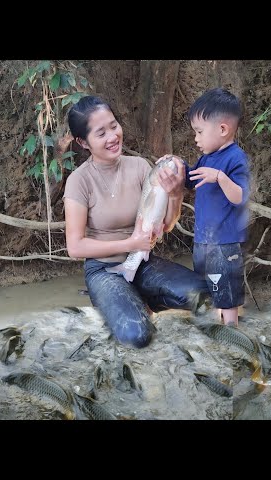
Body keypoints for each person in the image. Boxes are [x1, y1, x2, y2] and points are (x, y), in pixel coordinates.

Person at [64, 95, 201, 348]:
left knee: (204, 297)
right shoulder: (79, 181)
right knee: (136, 337)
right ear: (83, 142)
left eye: (114, 126)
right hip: (104, 271)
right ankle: (122, 304)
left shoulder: (139, 167)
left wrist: (176, 193)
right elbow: (76, 247)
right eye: (101, 133)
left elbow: (166, 224)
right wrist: (131, 242)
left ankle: (137, 301)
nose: (113, 137)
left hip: (142, 263)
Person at [163, 88, 250, 327]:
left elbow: (240, 196)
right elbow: (190, 180)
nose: (196, 139)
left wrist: (220, 177)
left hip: (224, 242)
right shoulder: (206, 159)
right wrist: (176, 165)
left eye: (199, 132)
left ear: (223, 129)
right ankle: (213, 327)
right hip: (203, 241)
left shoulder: (235, 158)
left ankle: (231, 329)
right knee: (207, 286)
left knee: (227, 293)